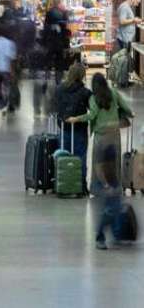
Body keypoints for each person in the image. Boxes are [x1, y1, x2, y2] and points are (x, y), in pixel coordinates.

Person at [66, 73, 134, 250]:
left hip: (100, 136)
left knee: (99, 163)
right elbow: (128, 110)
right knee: (113, 164)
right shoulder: (114, 93)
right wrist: (122, 116)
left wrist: (76, 118)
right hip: (114, 135)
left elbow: (92, 116)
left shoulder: (94, 99)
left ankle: (99, 187)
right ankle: (114, 185)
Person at [55, 62, 92, 195]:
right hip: (79, 129)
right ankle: (81, 186)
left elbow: (56, 107)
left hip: (64, 128)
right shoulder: (86, 93)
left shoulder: (59, 89)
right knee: (80, 157)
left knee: (63, 156)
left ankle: (62, 184)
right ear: (82, 76)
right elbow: (92, 111)